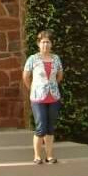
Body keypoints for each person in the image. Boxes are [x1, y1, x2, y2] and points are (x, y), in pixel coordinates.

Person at [22, 29, 63, 163]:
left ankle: (50, 155)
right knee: (40, 127)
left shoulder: (56, 58)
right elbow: (26, 77)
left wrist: (52, 85)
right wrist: (33, 88)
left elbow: (60, 75)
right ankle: (37, 156)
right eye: (43, 42)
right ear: (38, 44)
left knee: (50, 127)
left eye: (48, 42)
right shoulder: (32, 59)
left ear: (51, 44)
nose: (45, 45)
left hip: (53, 97)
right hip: (38, 98)